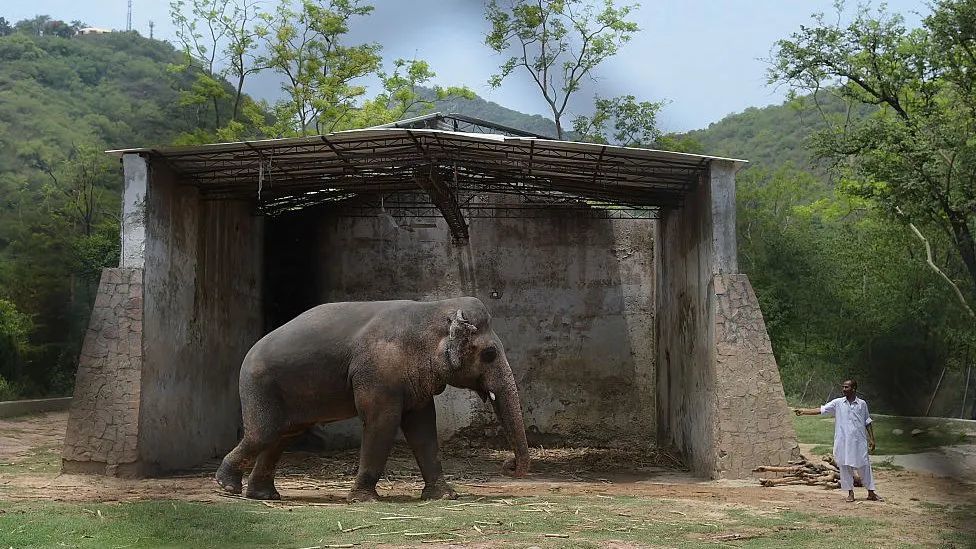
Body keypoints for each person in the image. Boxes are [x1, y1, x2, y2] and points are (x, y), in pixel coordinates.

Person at [794, 379, 883, 502]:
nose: (844, 389)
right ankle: (850, 493)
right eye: (843, 387)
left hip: (859, 442)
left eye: (846, 387)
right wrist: (804, 411)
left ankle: (871, 492)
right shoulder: (838, 403)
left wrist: (872, 439)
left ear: (854, 389)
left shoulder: (862, 404)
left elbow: (867, 422)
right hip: (843, 442)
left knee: (864, 466)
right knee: (845, 466)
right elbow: (821, 410)